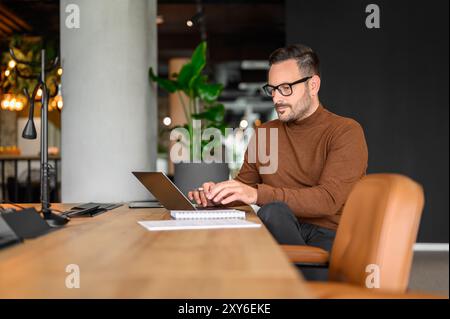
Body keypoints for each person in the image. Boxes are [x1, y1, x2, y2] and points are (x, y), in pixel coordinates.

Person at [188, 44, 368, 280]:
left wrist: (256, 195)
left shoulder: (345, 131)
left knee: (273, 210)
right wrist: (219, 196)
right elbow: (244, 188)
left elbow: (328, 200)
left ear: (312, 85)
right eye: (272, 89)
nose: (276, 98)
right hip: (278, 227)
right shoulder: (265, 134)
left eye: (285, 88)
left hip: (327, 237)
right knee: (272, 215)